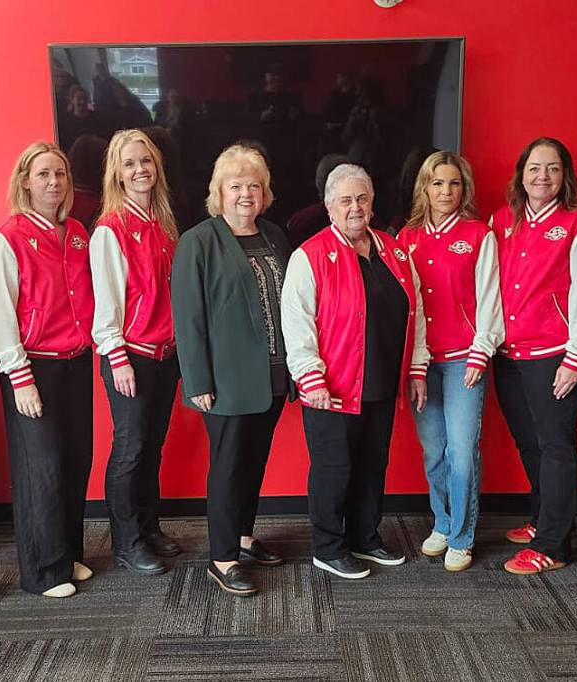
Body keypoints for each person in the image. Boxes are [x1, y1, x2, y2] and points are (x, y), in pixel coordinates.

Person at [281, 163, 429, 580]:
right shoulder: (308, 256)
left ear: (372, 202)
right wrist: (312, 378)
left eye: (362, 198)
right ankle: (328, 547)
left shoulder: (395, 250)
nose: (355, 207)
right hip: (332, 386)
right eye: (345, 200)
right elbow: (297, 322)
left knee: (371, 464)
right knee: (334, 469)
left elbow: (416, 312)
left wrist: (417, 368)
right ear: (329, 207)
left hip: (381, 381)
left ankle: (365, 537)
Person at [172, 144, 293, 597]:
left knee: (254, 461)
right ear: (218, 193)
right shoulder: (198, 241)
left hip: (274, 375)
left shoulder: (274, 235)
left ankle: (243, 537)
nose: (246, 194)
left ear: (265, 193)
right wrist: (198, 380)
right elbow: (188, 317)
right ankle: (222, 558)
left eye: (254, 186)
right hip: (225, 380)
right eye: (236, 186)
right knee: (227, 466)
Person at [0, 142, 95, 598]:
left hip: (76, 363)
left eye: (61, 174)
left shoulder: (76, 234)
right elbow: (1, 313)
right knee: (41, 469)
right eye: (44, 174)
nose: (54, 182)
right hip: (33, 368)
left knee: (74, 461)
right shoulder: (6, 238)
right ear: (25, 181)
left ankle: (67, 554)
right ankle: (43, 571)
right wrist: (19, 375)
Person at [490, 137, 577, 575]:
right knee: (529, 442)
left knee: (556, 446)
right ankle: (542, 519)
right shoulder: (503, 221)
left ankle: (554, 544)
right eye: (535, 168)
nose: (543, 177)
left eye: (553, 168)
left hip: (555, 355)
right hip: (509, 355)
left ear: (565, 176)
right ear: (521, 173)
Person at [397, 152, 504, 572]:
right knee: (434, 452)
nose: (446, 191)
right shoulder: (406, 238)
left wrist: (482, 350)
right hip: (422, 364)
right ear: (424, 188)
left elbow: (492, 296)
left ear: (465, 189)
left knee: (462, 451)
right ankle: (441, 523)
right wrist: (412, 364)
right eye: (437, 183)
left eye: (454, 184)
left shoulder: (480, 235)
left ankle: (462, 535)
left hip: (465, 362)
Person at [91, 129, 180, 576]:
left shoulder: (163, 224)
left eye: (145, 161)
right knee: (129, 448)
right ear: (117, 174)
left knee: (153, 446)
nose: (140, 169)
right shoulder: (111, 229)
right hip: (130, 357)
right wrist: (117, 357)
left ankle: (149, 527)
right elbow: (105, 304)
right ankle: (126, 542)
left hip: (166, 354)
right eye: (129, 163)